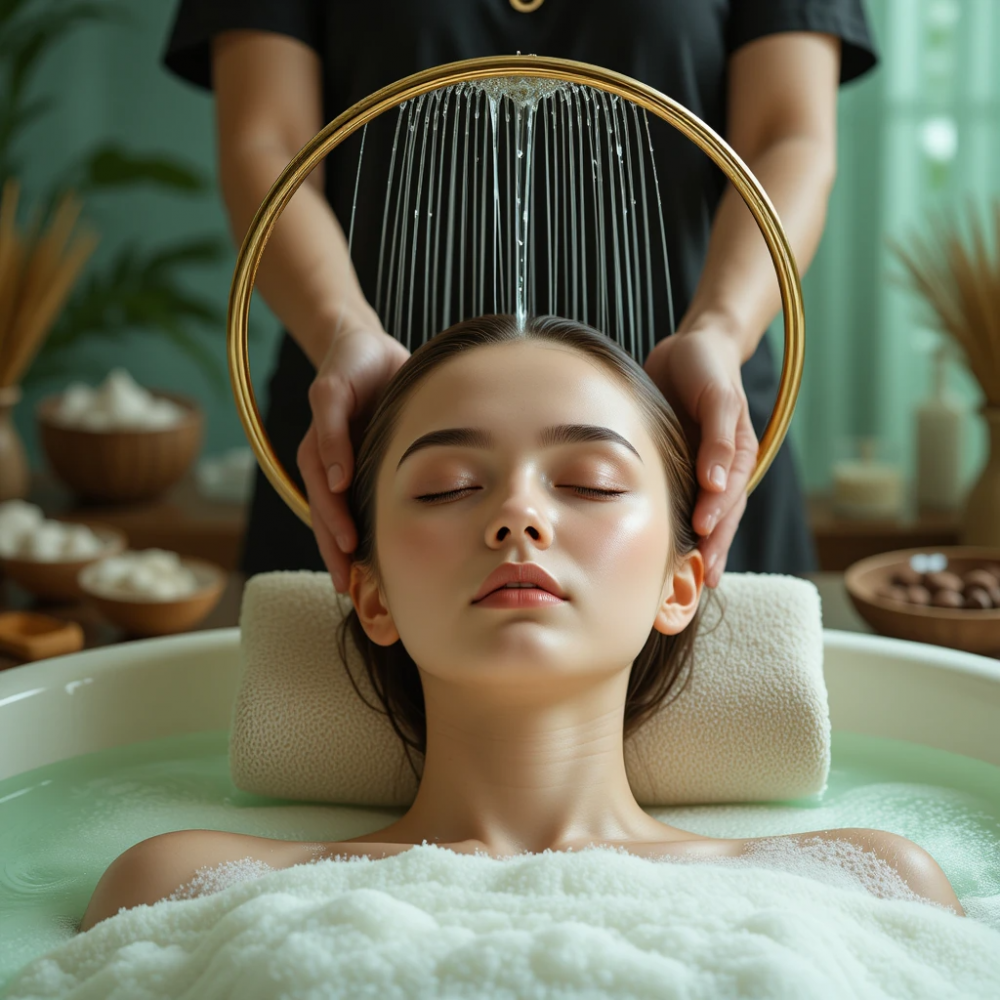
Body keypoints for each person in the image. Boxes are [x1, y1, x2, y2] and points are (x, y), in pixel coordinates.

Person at [79, 316, 962, 932]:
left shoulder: (871, 887)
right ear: (371, 594)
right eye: (448, 487)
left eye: (590, 483)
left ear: (682, 586)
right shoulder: (180, 892)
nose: (517, 517)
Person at [163, 1, 879, 593]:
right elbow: (268, 143)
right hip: (368, 427)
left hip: (688, 426)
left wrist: (720, 330)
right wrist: (342, 329)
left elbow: (788, 138)